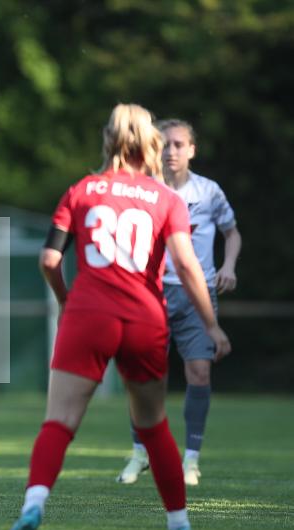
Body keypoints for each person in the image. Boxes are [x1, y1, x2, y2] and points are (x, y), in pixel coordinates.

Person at [3, 104, 231, 530]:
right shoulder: (167, 199)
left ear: (108, 140)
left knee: (59, 421)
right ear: (152, 144)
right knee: (153, 424)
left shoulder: (82, 190)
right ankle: (179, 524)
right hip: (145, 317)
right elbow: (187, 265)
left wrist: (66, 300)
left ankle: (34, 505)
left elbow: (49, 259)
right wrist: (212, 325)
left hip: (89, 314)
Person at [117, 119, 241, 486]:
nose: (171, 151)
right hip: (150, 292)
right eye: (165, 144)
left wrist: (228, 265)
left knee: (199, 372)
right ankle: (140, 452)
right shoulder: (143, 189)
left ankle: (191, 460)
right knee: (144, 376)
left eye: (178, 144)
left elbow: (232, 233)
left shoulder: (209, 191)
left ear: (192, 150)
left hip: (196, 293)